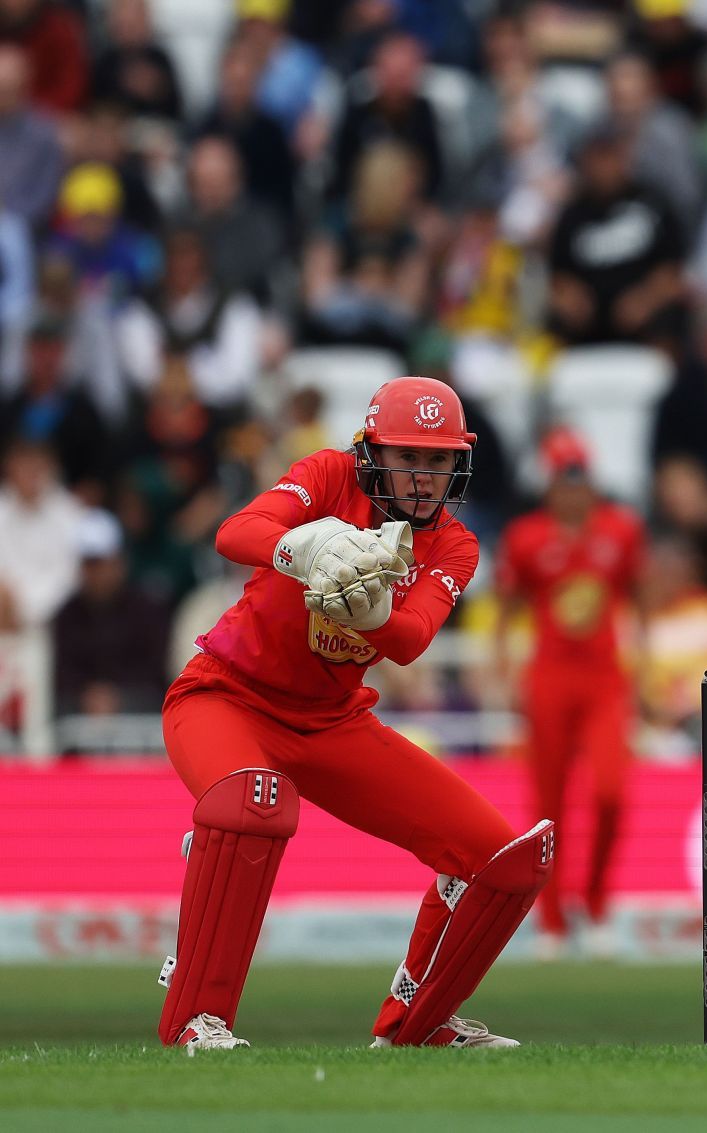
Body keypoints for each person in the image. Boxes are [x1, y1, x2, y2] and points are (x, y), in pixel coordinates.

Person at [156, 376, 551, 1051]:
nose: (424, 477)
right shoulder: (331, 473)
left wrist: (377, 613)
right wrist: (302, 547)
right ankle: (198, 1018)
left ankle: (416, 1026)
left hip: (332, 722)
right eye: (408, 457)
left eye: (438, 460)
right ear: (371, 451)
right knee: (257, 800)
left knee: (501, 857)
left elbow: (412, 640)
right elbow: (235, 530)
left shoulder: (456, 544)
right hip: (227, 695)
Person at [495, 429, 650, 961]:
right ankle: (553, 920)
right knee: (548, 805)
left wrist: (643, 664)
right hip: (550, 680)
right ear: (550, 485)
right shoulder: (526, 538)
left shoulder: (621, 531)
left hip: (605, 680)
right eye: (565, 478)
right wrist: (505, 672)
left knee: (611, 792)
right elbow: (507, 607)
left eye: (581, 477)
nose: (574, 490)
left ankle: (598, 904)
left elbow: (638, 596)